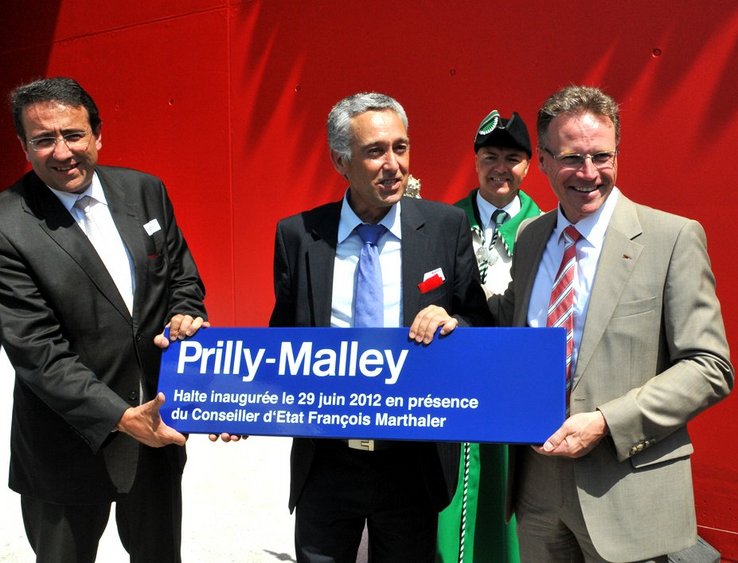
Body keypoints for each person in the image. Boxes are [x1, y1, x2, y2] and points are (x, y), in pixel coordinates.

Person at [411, 85, 733, 562]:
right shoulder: (531, 238)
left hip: (626, 490)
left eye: (601, 156)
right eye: (571, 158)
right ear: (542, 161)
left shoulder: (672, 238)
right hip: (536, 491)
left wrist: (605, 422)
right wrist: (449, 315)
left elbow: (709, 367)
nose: (588, 173)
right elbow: (503, 319)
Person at [269, 91, 490, 563]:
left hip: (412, 460)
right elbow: (282, 341)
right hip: (326, 460)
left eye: (400, 147)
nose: (394, 165)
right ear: (341, 161)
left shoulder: (446, 226)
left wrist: (454, 322)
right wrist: (238, 408)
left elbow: (478, 321)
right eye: (375, 151)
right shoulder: (299, 236)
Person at [0, 77, 208, 563]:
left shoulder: (145, 190)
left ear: (97, 134)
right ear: (23, 147)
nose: (62, 152)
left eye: (73, 134)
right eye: (43, 139)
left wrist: (186, 313)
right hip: (66, 444)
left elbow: (182, 278)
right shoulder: (7, 225)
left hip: (156, 430)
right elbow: (38, 352)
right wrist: (120, 417)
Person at [438, 110, 541, 562]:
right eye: (490, 157)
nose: (501, 168)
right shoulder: (441, 224)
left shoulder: (546, 230)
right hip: (450, 386)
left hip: (512, 388)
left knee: (506, 502)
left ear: (529, 165)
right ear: (475, 161)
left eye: (512, 158)